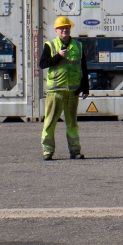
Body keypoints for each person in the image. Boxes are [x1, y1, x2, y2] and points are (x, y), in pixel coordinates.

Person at [39, 16, 89, 161]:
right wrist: (59, 56)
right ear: (56, 31)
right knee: (50, 122)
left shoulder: (78, 46)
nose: (64, 30)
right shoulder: (50, 45)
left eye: (66, 27)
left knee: (72, 123)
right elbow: (43, 64)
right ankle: (47, 151)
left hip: (72, 92)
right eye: (61, 28)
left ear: (70, 29)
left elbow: (83, 67)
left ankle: (75, 151)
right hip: (56, 91)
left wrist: (85, 87)